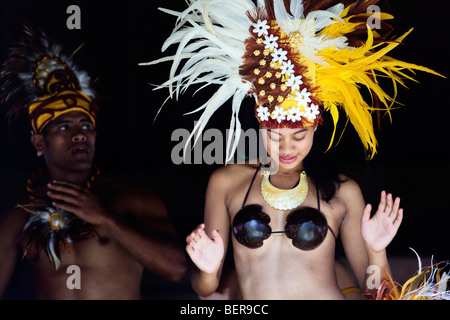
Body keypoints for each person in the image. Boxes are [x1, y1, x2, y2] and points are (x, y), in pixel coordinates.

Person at [145, 0, 444, 299]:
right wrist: (208, 269)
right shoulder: (225, 182)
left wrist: (377, 250)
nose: (286, 147)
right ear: (260, 127)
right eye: (274, 135)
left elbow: (375, 289)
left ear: (315, 127)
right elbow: (204, 287)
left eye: (299, 135)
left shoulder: (343, 192)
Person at [0, 26, 187, 299]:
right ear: (40, 143)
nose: (79, 135)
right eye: (64, 127)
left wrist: (104, 218)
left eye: (86, 126)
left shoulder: (131, 198)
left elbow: (175, 269)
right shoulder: (22, 212)